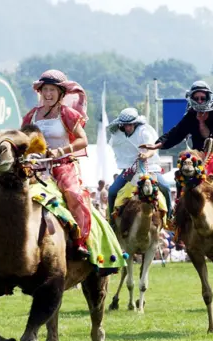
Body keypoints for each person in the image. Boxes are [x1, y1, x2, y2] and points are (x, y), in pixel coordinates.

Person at [139, 80, 213, 199]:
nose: (200, 101)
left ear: (208, 98)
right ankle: (179, 205)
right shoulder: (190, 116)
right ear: (191, 99)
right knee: (182, 172)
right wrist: (156, 145)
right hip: (200, 155)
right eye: (196, 98)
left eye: (202, 98)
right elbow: (176, 133)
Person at [22, 69, 92, 256]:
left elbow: (82, 140)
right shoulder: (31, 116)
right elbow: (22, 140)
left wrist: (60, 151)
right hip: (36, 167)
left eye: (52, 90)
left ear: (61, 93)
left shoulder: (67, 114)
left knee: (73, 194)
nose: (48, 94)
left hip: (63, 165)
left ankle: (79, 241)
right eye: (45, 89)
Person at [107, 107, 172, 219]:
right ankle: (111, 220)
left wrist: (146, 155)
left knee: (166, 187)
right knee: (112, 190)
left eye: (130, 124)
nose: (128, 127)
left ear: (135, 123)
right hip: (130, 170)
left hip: (149, 168)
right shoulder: (118, 135)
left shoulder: (144, 132)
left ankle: (171, 217)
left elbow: (152, 148)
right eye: (125, 125)